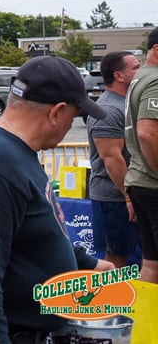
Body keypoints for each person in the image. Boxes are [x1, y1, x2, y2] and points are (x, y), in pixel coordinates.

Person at [0, 55, 115, 344]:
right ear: (57, 112)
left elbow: (29, 231)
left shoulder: (13, 151)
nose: (72, 125)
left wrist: (85, 263)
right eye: (75, 115)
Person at [87, 51, 141, 268]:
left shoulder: (128, 103)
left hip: (130, 194)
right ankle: (108, 301)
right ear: (119, 76)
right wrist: (129, 197)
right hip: (115, 197)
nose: (141, 71)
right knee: (116, 258)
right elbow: (111, 158)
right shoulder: (109, 109)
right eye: (136, 67)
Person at [125, 26, 158, 283]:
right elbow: (148, 133)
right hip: (152, 180)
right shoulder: (155, 80)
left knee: (150, 264)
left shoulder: (139, 77)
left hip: (139, 181)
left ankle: (145, 324)